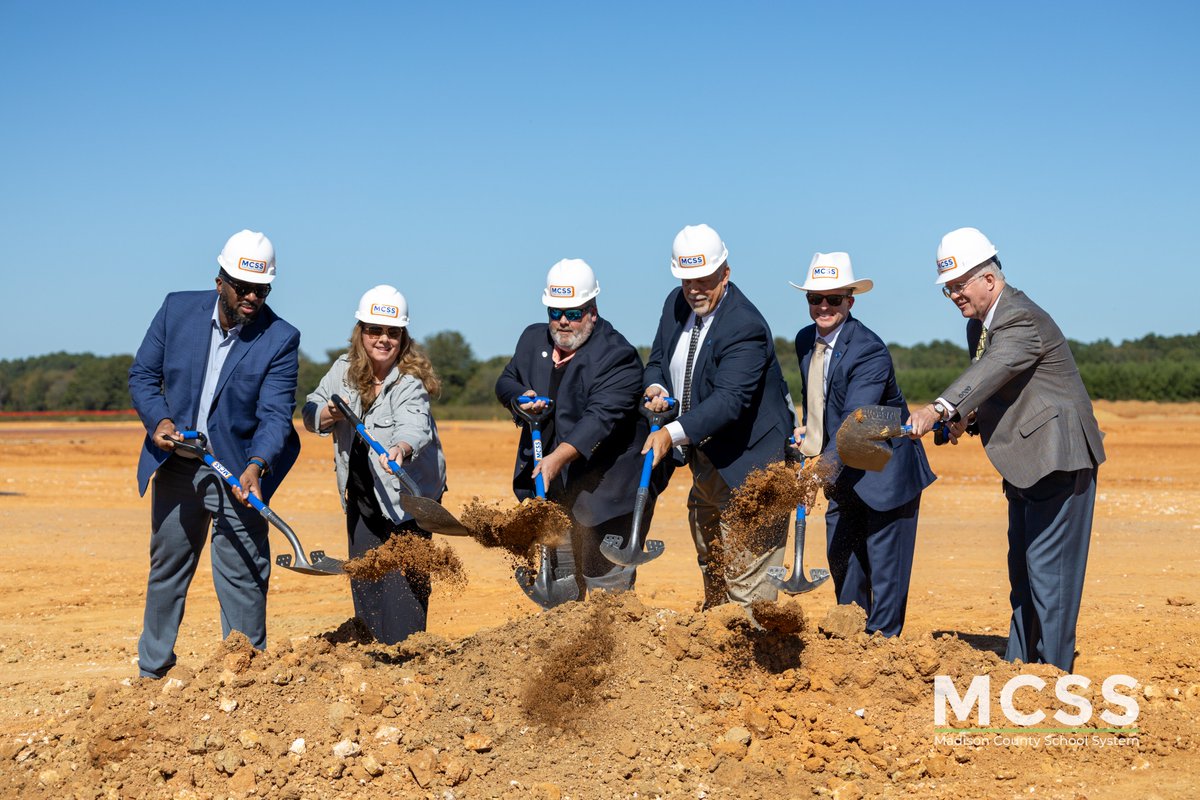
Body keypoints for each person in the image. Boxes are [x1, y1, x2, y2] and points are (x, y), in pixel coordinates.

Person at [908, 227, 1105, 671]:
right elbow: (999, 386)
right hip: (1024, 462)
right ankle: (1019, 668)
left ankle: (1053, 678)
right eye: (948, 289)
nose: (954, 295)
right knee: (1024, 571)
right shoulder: (980, 325)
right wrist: (965, 418)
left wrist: (939, 409)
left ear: (989, 279)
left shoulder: (1018, 317)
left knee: (1049, 576)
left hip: (1057, 456)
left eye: (959, 285)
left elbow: (997, 365)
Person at [128, 229, 302, 679]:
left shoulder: (279, 337)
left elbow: (275, 414)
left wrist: (256, 465)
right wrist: (161, 423)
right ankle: (153, 671)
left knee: (244, 572)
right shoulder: (177, 310)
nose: (251, 297)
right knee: (169, 567)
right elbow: (143, 376)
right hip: (177, 462)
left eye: (261, 289)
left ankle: (245, 677)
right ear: (219, 279)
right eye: (242, 287)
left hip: (237, 470)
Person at [642, 224, 793, 611]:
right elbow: (657, 359)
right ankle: (718, 664)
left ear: (725, 273)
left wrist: (670, 433)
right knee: (714, 572)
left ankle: (757, 663)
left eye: (705, 279)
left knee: (747, 588)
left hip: (751, 469)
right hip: (707, 464)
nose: (694, 289)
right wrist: (656, 388)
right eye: (686, 279)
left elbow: (730, 401)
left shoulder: (744, 325)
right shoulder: (676, 304)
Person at [496, 259, 662, 600]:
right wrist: (519, 398)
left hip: (608, 492)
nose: (563, 321)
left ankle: (614, 648)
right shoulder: (532, 340)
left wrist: (558, 457)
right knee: (561, 586)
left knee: (606, 592)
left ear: (592, 311)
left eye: (573, 312)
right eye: (555, 311)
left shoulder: (617, 356)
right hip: (553, 488)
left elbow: (599, 419)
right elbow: (507, 380)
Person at [792, 252, 936, 636]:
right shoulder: (806, 340)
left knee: (885, 571)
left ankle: (883, 650)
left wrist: (816, 472)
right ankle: (849, 639)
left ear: (850, 301)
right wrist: (809, 432)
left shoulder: (869, 350)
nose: (824, 306)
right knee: (842, 559)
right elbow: (820, 400)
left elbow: (857, 422)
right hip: (842, 468)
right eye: (815, 298)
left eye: (834, 299)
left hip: (884, 471)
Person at [302, 285, 447, 644]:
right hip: (362, 498)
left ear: (403, 336)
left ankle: (406, 668)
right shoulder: (343, 370)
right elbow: (310, 408)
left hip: (406, 503)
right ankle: (373, 669)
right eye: (375, 330)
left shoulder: (408, 381)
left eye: (392, 332)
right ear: (361, 332)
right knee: (367, 588)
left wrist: (401, 447)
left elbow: (415, 425)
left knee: (403, 596)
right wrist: (327, 412)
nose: (383, 339)